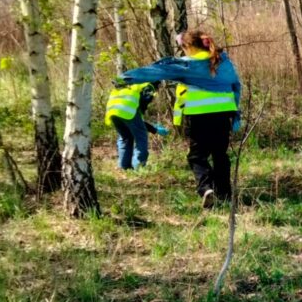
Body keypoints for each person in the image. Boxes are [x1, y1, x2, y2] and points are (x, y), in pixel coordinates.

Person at [121, 30, 242, 209]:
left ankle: (206, 188)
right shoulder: (223, 62)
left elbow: (157, 71)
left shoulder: (187, 64)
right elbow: (236, 86)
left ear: (188, 46)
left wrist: (126, 78)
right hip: (224, 114)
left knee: (197, 156)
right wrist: (236, 113)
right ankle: (225, 195)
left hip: (200, 115)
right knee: (220, 155)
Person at [104, 81, 169, 170]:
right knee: (141, 137)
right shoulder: (149, 86)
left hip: (112, 110)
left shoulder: (132, 84)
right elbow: (141, 108)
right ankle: (139, 167)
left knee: (125, 138)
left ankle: (124, 167)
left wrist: (153, 128)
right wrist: (154, 129)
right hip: (127, 109)